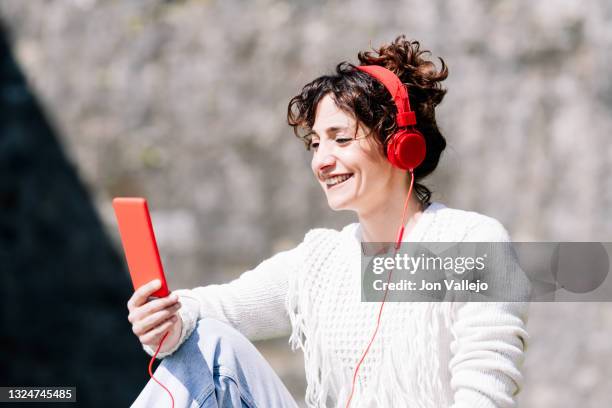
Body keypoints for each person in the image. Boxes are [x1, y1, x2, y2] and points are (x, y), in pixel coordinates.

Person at [127, 35, 529, 407]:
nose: (321, 160)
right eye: (316, 144)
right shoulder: (319, 261)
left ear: (399, 144)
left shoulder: (473, 242)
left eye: (340, 138)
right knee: (208, 340)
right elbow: (213, 308)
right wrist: (165, 320)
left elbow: (484, 393)